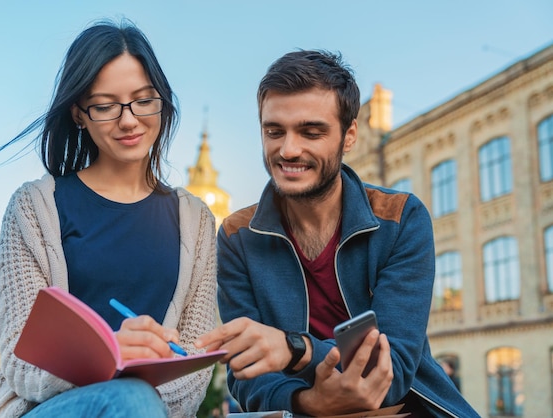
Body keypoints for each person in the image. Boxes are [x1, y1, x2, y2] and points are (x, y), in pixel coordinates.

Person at [196, 50, 479, 417]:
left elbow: (390, 373)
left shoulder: (401, 218)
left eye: (311, 132)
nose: (288, 149)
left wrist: (296, 349)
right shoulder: (237, 236)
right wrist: (310, 403)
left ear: (349, 136)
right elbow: (248, 381)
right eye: (274, 131)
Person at [0, 18, 218, 418]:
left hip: (151, 411)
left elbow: (196, 361)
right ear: (78, 113)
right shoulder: (34, 209)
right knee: (131, 399)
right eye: (106, 106)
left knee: (136, 402)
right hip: (48, 408)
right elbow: (23, 363)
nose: (129, 120)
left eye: (144, 100)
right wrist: (111, 355)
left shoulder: (197, 223)